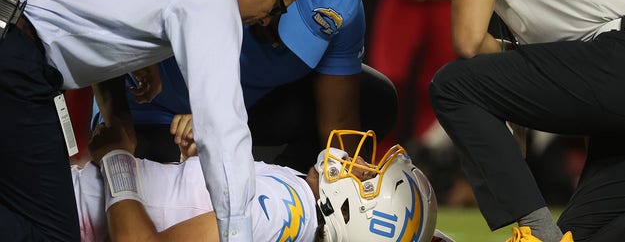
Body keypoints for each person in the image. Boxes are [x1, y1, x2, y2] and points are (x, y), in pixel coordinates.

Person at [0, 0, 310, 241]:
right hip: (13, 50)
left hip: (11, 19)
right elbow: (222, 131)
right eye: (276, 9)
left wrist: (139, 58)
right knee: (48, 236)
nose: (264, 21)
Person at [408, 0, 625, 241]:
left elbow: (467, 41)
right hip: (621, 76)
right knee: (582, 235)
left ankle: (535, 232)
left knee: (452, 86)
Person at [94, 0, 399, 172]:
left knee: (375, 99)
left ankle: (289, 192)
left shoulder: (342, 10)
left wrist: (341, 185)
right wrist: (118, 127)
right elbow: (103, 36)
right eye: (281, 17)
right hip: (158, 115)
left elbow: (340, 125)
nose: (286, 43)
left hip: (240, 108)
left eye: (312, 39)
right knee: (176, 202)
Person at [81, 124, 446, 241]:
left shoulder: (286, 210)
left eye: (368, 175)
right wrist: (197, 167)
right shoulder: (297, 201)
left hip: (68, 210)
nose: (359, 160)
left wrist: (116, 158)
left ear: (357, 213)